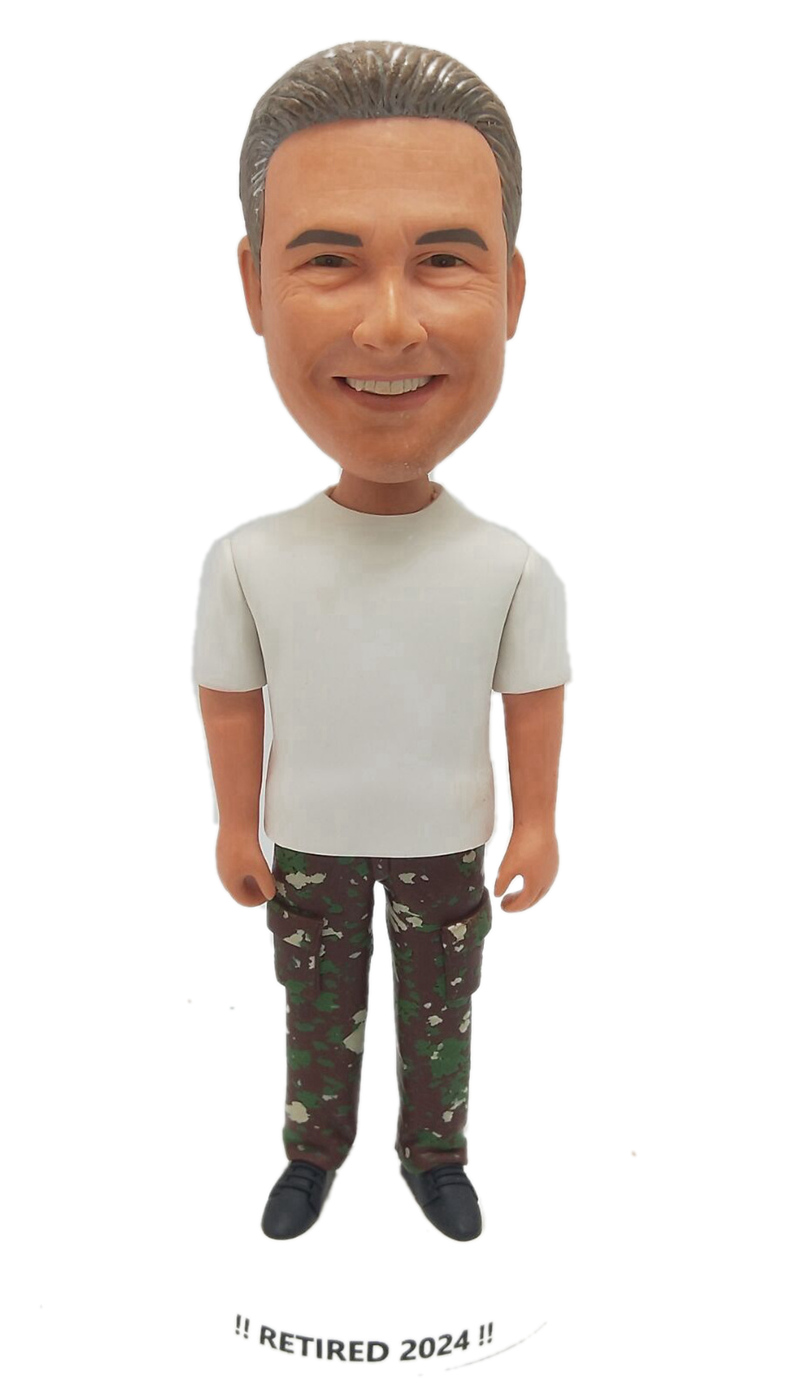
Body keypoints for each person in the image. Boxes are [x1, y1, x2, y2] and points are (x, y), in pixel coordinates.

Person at [193, 40, 571, 1243]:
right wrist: (234, 823)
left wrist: (536, 822)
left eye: (445, 259)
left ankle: (434, 1153)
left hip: (444, 844)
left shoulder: (510, 567)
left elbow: (531, 698)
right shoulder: (248, 560)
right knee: (314, 1003)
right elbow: (230, 695)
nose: (392, 325)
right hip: (307, 842)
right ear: (254, 286)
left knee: (442, 1007)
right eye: (329, 260)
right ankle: (312, 1152)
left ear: (512, 287)